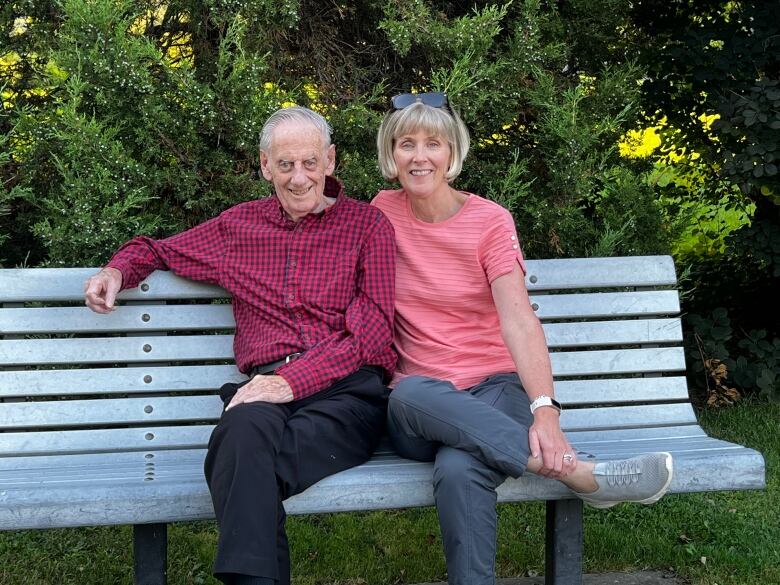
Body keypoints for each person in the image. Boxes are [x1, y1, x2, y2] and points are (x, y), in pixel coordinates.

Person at [84, 106, 397, 585]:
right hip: (263, 392)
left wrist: (290, 382)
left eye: (310, 163)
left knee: (241, 460)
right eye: (286, 164)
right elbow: (156, 249)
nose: (299, 178)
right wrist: (115, 270)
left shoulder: (367, 227)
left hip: (345, 393)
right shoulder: (238, 229)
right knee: (243, 433)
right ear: (265, 165)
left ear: (331, 161)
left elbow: (373, 333)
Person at [372, 92, 673, 585]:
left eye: (434, 143)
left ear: (453, 154)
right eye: (407, 144)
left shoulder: (489, 222)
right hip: (418, 407)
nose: (419, 156)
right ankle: (580, 474)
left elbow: (518, 318)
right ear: (392, 155)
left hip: (494, 391)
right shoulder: (380, 213)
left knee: (459, 471)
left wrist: (545, 412)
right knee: (407, 391)